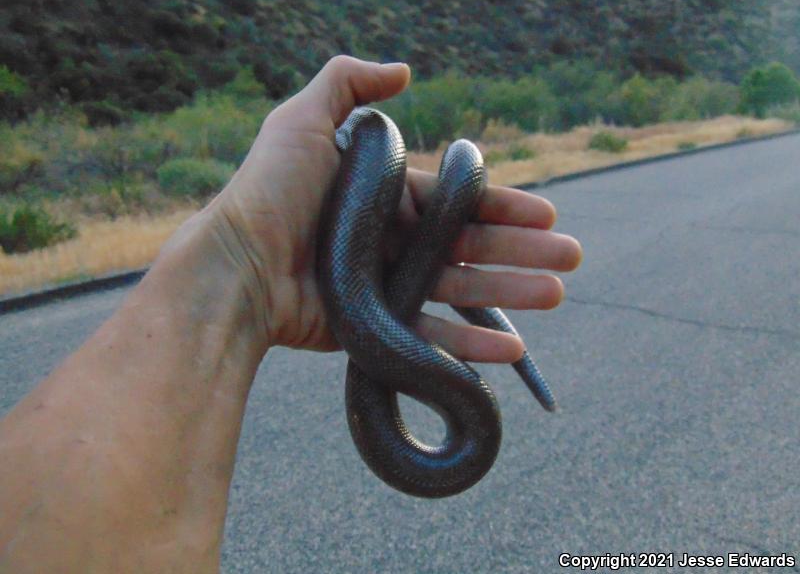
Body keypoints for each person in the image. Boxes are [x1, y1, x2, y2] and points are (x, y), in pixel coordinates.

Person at [0, 56, 582, 572]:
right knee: (402, 276)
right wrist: (245, 266)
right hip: (373, 281)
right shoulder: (374, 139)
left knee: (391, 292)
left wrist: (240, 267)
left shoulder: (372, 136)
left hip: (368, 288)